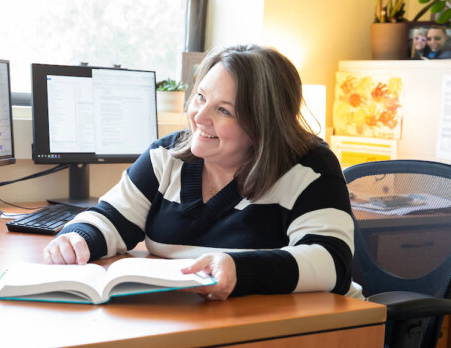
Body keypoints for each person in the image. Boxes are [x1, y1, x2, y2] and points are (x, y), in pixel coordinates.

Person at [44, 45, 364, 301]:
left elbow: (331, 263)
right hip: (197, 321)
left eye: (223, 110)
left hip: (316, 330)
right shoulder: (166, 156)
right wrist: (77, 238)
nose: (199, 117)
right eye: (201, 97)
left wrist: (240, 270)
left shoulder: (310, 169)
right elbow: (111, 218)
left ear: (264, 125)